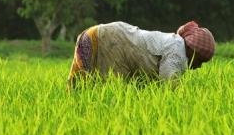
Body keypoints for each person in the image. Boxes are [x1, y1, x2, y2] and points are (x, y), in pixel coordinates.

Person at [68, 20, 215, 87]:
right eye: (200, 60)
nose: (199, 66)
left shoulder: (173, 42)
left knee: (91, 85)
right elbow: (170, 86)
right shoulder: (178, 51)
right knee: (111, 90)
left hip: (109, 33)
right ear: (192, 49)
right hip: (115, 41)